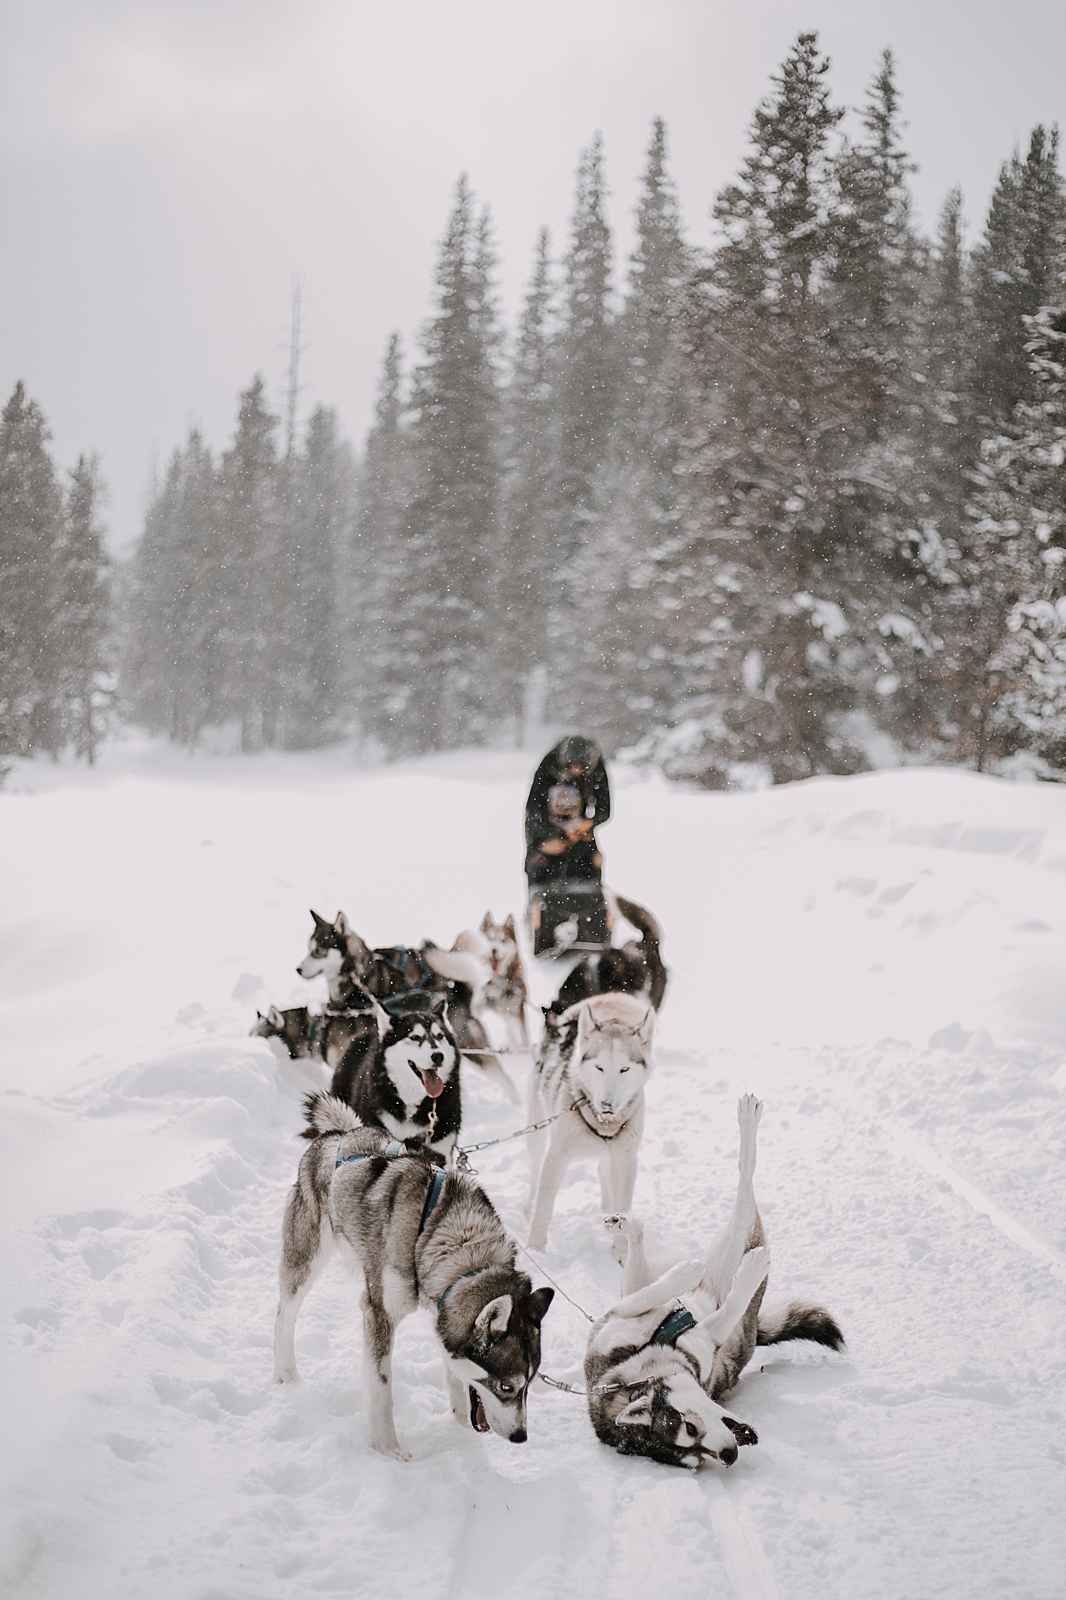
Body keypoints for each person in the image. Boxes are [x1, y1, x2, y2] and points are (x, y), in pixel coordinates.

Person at [524, 735, 611, 886]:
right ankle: (539, 902)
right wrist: (554, 833)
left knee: (593, 862)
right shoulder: (548, 765)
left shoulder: (596, 768)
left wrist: (588, 824)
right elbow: (533, 808)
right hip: (544, 821)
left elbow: (605, 809)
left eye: (581, 768)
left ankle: (591, 900)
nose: (576, 771)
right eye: (572, 767)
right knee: (541, 863)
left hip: (579, 824)